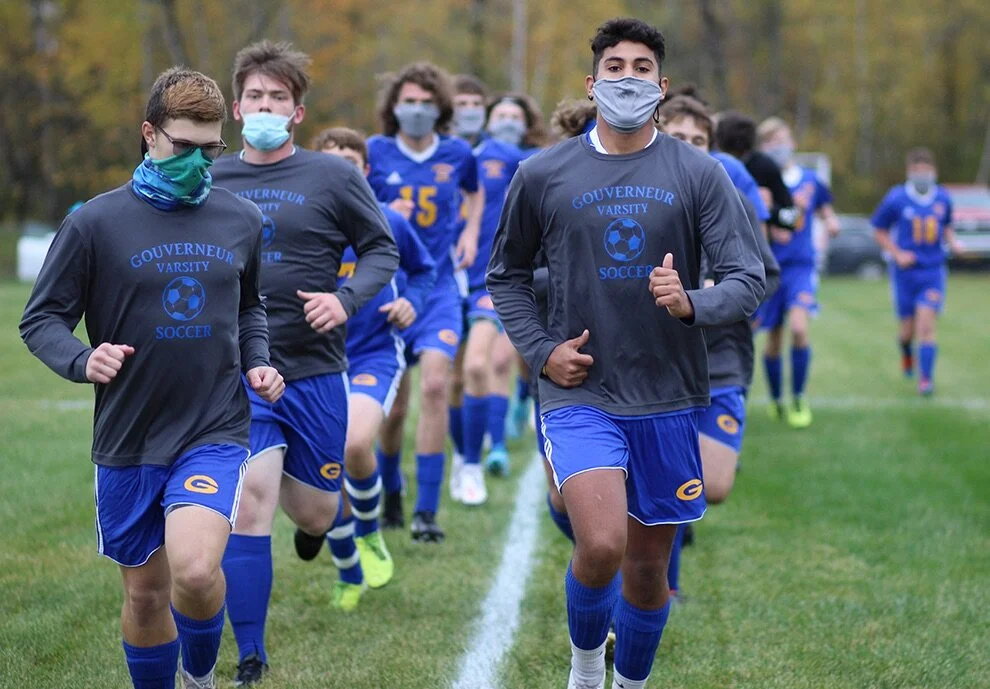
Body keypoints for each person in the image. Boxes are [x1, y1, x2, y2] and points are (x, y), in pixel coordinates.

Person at [487, 18, 765, 689]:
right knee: (604, 544)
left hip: (670, 393)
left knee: (647, 568)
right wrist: (542, 348)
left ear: (661, 87)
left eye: (642, 68)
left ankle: (630, 682)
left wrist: (691, 301)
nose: (628, 78)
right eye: (615, 66)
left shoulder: (698, 172)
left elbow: (748, 278)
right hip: (579, 390)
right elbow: (506, 275)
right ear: (592, 82)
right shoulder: (543, 172)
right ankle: (586, 669)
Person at [20, 67, 284, 689]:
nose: (197, 161)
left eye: (210, 149)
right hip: (129, 435)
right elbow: (42, 319)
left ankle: (200, 679)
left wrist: (258, 360)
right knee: (144, 595)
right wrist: (83, 359)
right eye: (182, 146)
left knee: (193, 573)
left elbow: (250, 306)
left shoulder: (241, 219)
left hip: (213, 426)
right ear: (149, 134)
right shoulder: (94, 223)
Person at [211, 41, 399, 685]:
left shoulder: (333, 176)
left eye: (279, 99)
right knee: (251, 502)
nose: (266, 107)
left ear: (297, 112)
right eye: (256, 97)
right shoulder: (210, 178)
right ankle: (251, 655)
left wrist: (345, 300)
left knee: (316, 511)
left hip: (316, 369)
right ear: (237, 108)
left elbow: (381, 251)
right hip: (242, 371)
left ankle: (321, 528)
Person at [657, 94, 781, 597]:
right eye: (678, 138)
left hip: (722, 361)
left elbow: (766, 276)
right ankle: (662, 584)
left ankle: (655, 569)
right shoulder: (639, 198)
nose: (688, 148)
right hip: (658, 363)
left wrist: (719, 299)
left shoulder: (732, 198)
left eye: (698, 141)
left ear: (712, 148)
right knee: (665, 482)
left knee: (713, 485)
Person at [309, 126, 437, 608]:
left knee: (355, 442)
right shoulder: (300, 226)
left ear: (365, 170)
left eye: (351, 158)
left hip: (373, 352)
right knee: (324, 469)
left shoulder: (388, 221)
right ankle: (347, 571)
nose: (342, 165)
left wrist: (412, 306)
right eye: (331, 157)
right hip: (313, 358)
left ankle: (369, 531)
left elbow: (424, 272)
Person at [368, 62, 484, 542]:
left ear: (439, 108)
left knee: (437, 386)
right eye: (408, 101)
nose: (416, 110)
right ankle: (391, 490)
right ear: (394, 106)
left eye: (424, 102)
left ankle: (427, 512)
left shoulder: (457, 153)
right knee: (393, 408)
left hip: (437, 288)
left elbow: (474, 194)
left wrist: (472, 231)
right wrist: (383, 213)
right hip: (389, 291)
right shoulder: (374, 152)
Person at [756, 116, 840, 428]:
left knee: (800, 329)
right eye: (772, 141)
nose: (779, 146)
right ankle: (777, 399)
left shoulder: (810, 180)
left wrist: (831, 223)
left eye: (783, 139)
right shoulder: (762, 182)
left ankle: (799, 396)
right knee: (774, 339)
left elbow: (825, 210)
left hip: (801, 266)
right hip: (772, 268)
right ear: (764, 147)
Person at [871, 147, 962, 395]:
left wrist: (954, 242)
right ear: (910, 172)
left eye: (926, 171)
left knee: (926, 326)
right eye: (917, 171)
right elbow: (878, 229)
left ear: (934, 172)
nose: (922, 175)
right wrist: (897, 253)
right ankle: (905, 352)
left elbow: (947, 227)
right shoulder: (896, 198)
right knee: (907, 332)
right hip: (905, 274)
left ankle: (925, 379)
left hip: (932, 271)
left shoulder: (943, 198)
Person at [715, 111, 799, 232]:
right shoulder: (712, 164)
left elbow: (794, 219)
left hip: (757, 243)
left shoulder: (764, 166)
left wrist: (768, 209)